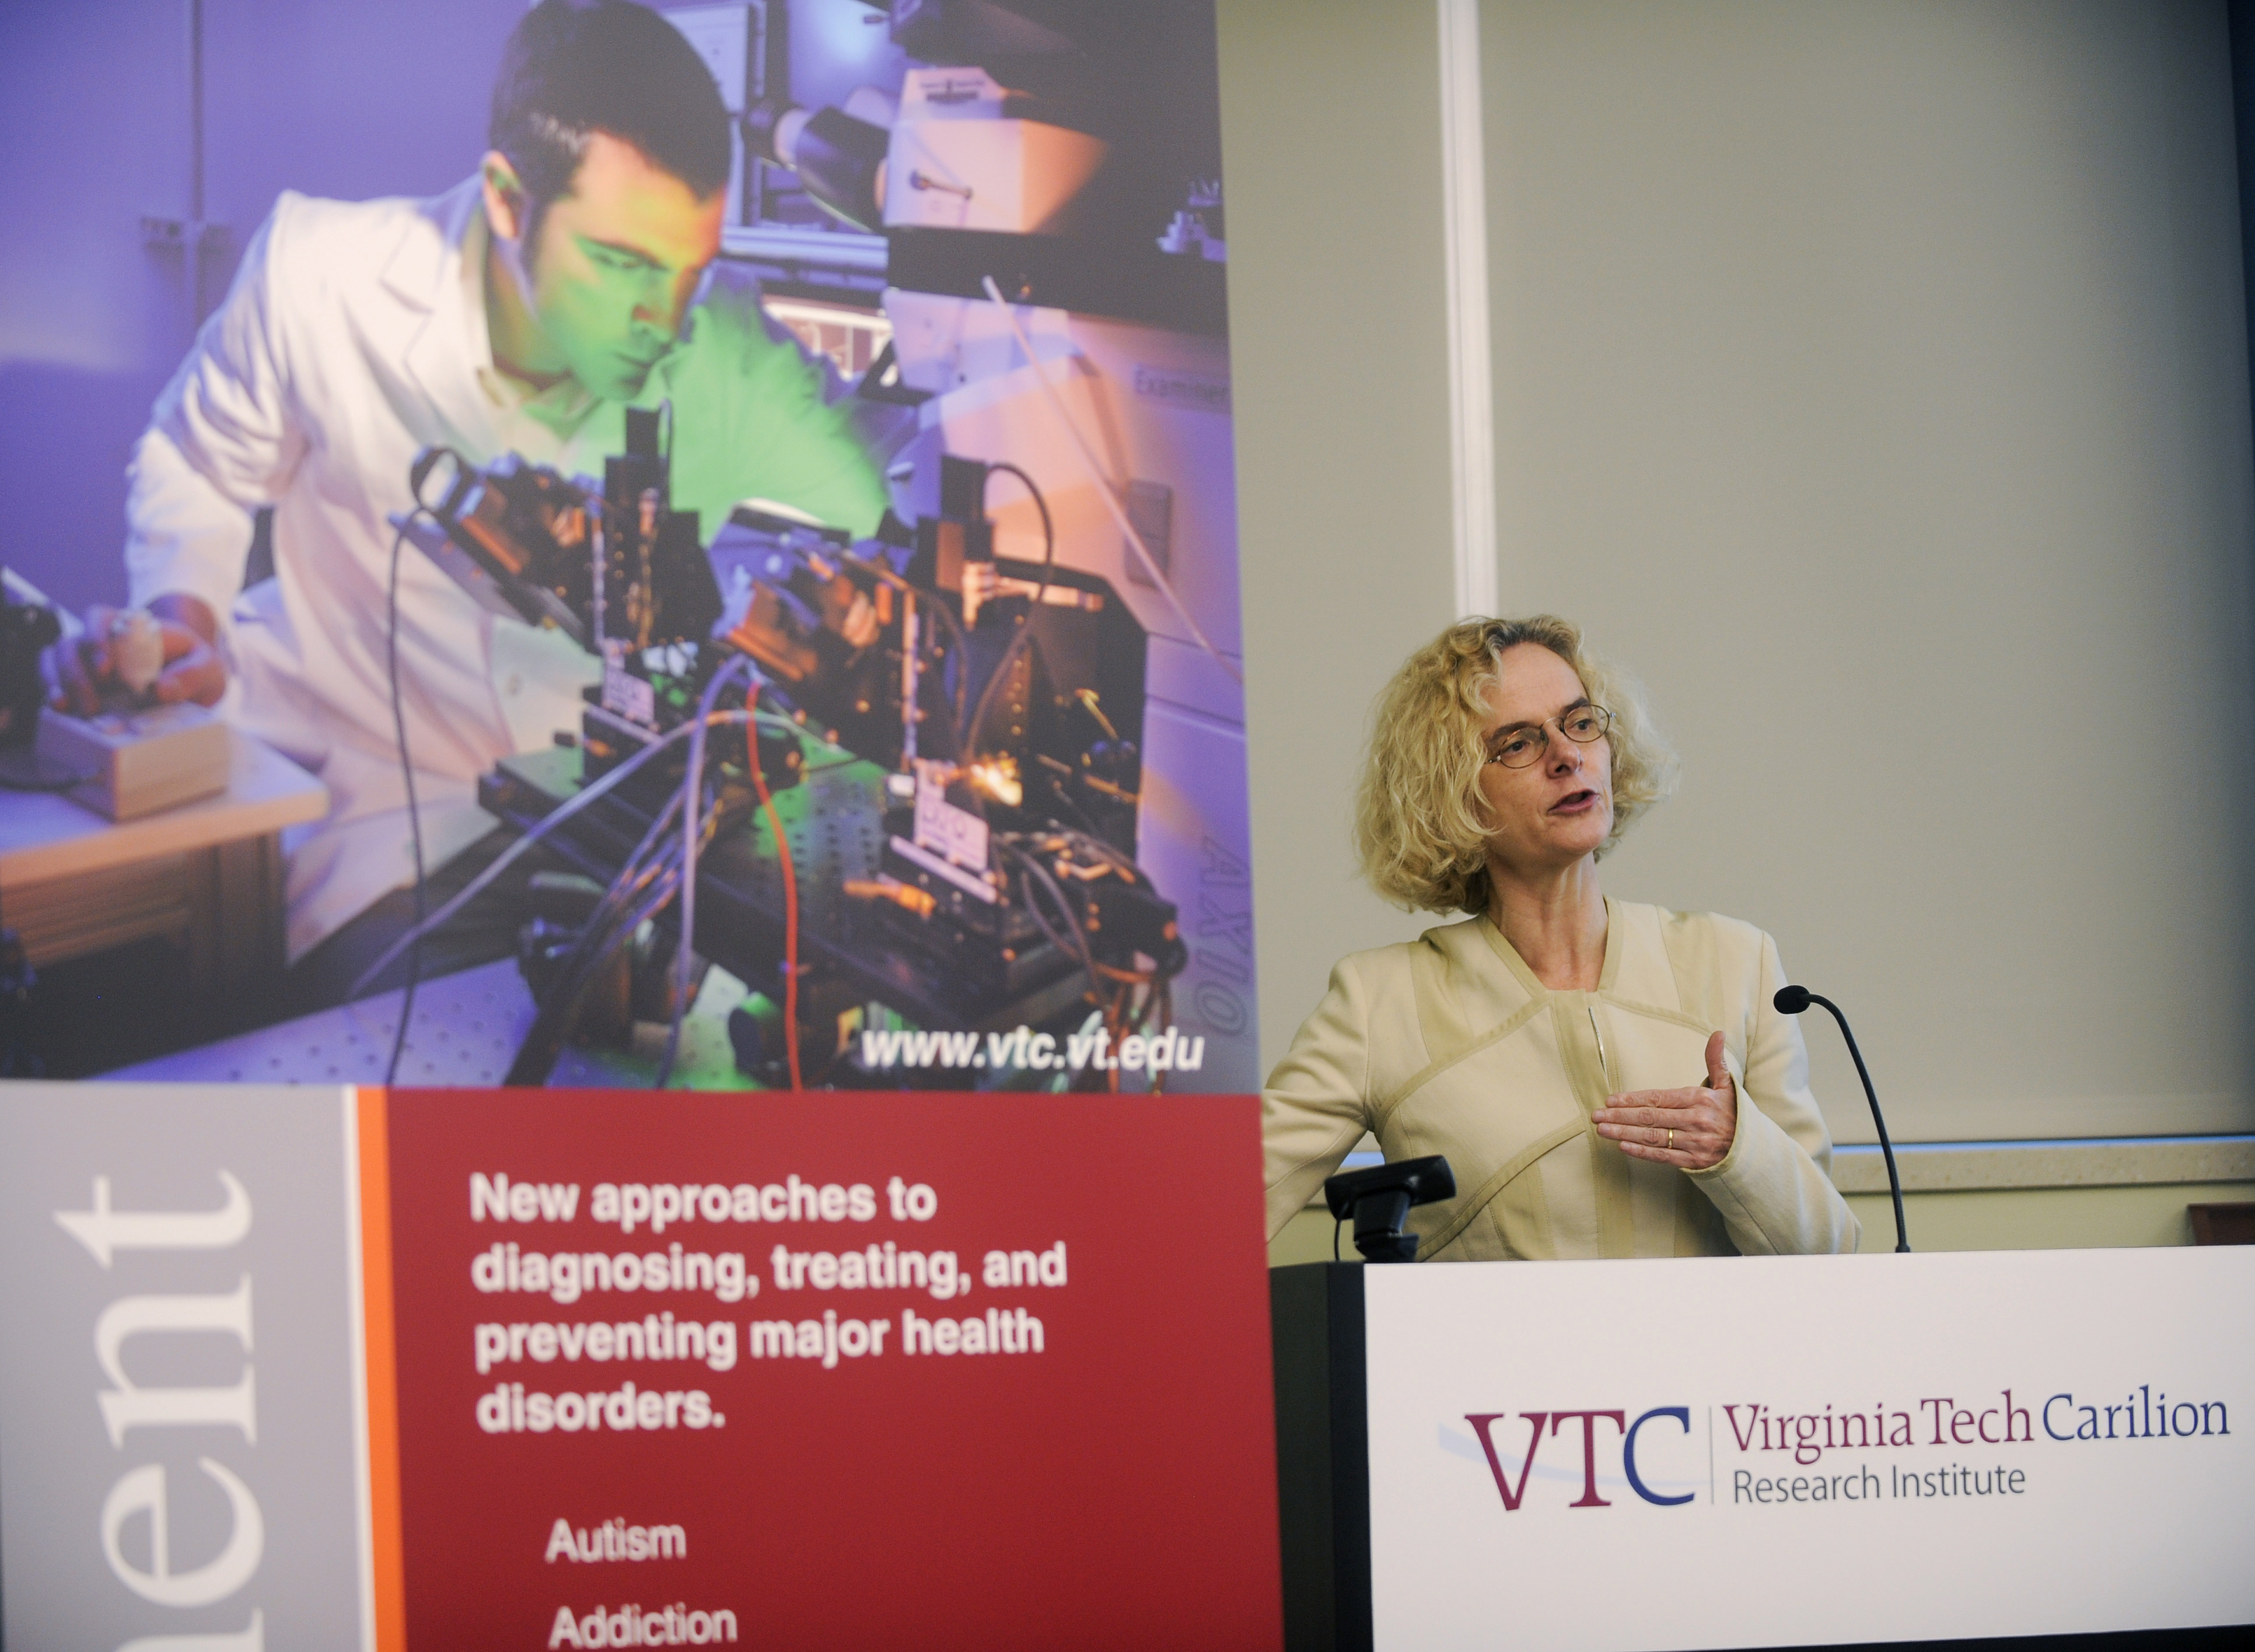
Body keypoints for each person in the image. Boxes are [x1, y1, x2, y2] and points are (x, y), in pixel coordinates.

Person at [50, 0, 897, 980]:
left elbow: (898, 480)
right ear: (507, 199)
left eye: (687, 271)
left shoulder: (725, 343)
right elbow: (194, 460)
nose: (660, 318)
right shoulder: (321, 276)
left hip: (628, 824)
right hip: (398, 826)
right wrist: (182, 611)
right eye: (621, 263)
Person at [1263, 616, 1859, 1259]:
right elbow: (1214, 1214)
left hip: (1711, 1360)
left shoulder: (1737, 960)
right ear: (1454, 791)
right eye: (1518, 743)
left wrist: (1736, 1150)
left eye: (1579, 723)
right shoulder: (1376, 1003)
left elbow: (1830, 1254)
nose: (1567, 755)